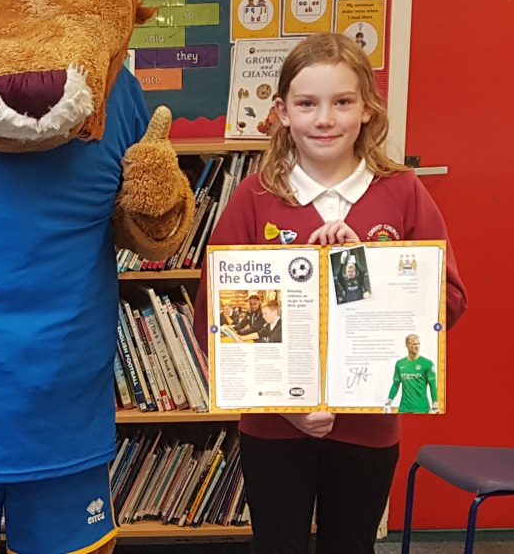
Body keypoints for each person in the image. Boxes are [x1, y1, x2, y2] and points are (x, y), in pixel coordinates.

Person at [197, 32, 467, 554]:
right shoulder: (255, 198)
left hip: (368, 427)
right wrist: (287, 406)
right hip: (274, 428)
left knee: (351, 545)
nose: (324, 119)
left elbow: (447, 301)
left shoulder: (402, 191)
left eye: (342, 102)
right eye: (306, 104)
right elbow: (216, 317)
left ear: (367, 109)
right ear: (282, 112)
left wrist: (363, 268)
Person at [387, 334, 438, 414]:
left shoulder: (427, 363)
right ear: (407, 345)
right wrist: (388, 402)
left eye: (418, 344)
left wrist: (435, 405)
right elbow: (395, 384)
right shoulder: (400, 364)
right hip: (404, 409)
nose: (417, 347)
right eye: (414, 344)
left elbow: (432, 385)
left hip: (422, 409)